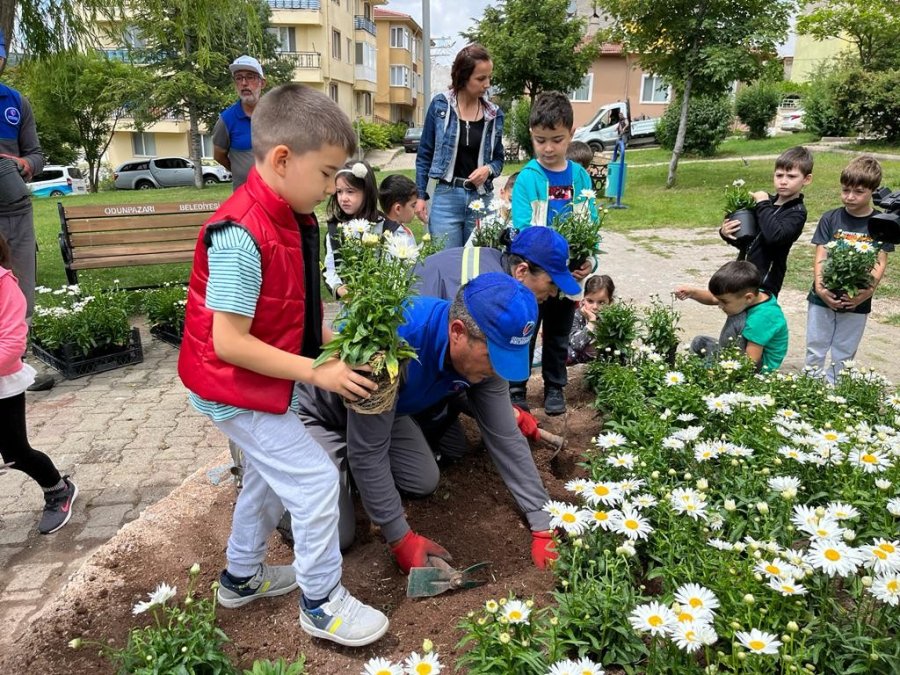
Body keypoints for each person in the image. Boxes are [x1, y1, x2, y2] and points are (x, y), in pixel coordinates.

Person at [177, 83, 388, 648]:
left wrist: (330, 338)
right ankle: (321, 603)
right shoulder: (242, 234)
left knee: (271, 477)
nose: (331, 190)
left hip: (252, 380)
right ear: (281, 159)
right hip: (230, 385)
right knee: (318, 480)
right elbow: (229, 342)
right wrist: (314, 371)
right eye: (326, 175)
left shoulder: (290, 217)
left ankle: (241, 578)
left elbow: (288, 309)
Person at [295, 273, 558, 572]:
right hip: (322, 415)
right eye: (495, 356)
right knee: (339, 536)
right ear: (458, 331)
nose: (501, 368)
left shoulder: (483, 359)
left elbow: (504, 436)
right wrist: (400, 538)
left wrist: (542, 521)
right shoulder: (394, 347)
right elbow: (368, 453)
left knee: (423, 480)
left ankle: (347, 476)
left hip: (386, 414)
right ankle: (274, 480)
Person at [510, 91, 599, 415]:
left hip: (567, 277)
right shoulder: (527, 180)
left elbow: (590, 225)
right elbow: (522, 230)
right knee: (525, 330)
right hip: (535, 276)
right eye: (540, 140)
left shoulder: (580, 177)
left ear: (571, 134)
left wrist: (589, 260)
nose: (548, 148)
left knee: (559, 333)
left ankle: (555, 388)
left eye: (556, 140)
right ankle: (517, 387)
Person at [0, 235, 77, 534]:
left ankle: (58, 489)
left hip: (3, 385)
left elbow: (12, 345)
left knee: (16, 453)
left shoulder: (5, 285)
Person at [805, 155, 892, 383]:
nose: (850, 197)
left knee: (844, 351)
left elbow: (880, 261)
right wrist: (821, 288)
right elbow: (821, 253)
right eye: (845, 190)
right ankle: (810, 387)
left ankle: (836, 392)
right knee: (816, 345)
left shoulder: (882, 222)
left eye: (858, 191)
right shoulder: (830, 218)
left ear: (873, 191)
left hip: (857, 298)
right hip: (821, 296)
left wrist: (865, 294)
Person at [0, 30, 53, 392]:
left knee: (20, 282)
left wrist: (21, 163)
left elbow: (37, 154)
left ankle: (19, 362)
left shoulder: (16, 102)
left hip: (16, 207)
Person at [415, 44, 505, 248]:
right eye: (481, 78)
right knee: (446, 264)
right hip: (446, 198)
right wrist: (420, 196)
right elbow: (424, 155)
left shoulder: (494, 114)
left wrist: (488, 169)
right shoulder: (440, 107)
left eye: (489, 77)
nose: (487, 84)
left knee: (478, 264)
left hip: (481, 199)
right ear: (463, 77)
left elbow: (499, 159)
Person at [719, 146, 813, 296]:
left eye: (791, 176)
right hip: (743, 274)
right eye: (779, 175)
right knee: (737, 317)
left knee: (757, 318)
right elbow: (747, 238)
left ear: (806, 179)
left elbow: (774, 237)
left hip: (766, 282)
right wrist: (726, 232)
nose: (783, 181)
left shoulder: (797, 213)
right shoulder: (766, 203)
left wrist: (762, 203)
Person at [675, 261, 788, 372]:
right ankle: (696, 369)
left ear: (749, 297)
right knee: (699, 341)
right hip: (738, 352)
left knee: (736, 318)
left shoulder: (763, 318)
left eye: (724, 302)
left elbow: (751, 361)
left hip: (757, 366)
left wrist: (720, 372)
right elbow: (714, 298)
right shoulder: (751, 295)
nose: (719, 305)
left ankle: (709, 371)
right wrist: (693, 292)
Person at [322, 160, 383, 299]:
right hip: (351, 308)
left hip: (382, 304)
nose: (343, 198)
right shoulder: (336, 232)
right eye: (339, 192)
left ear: (367, 192)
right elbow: (330, 269)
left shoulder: (385, 228)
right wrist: (338, 289)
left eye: (350, 191)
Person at [213, 55, 267, 190]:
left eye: (250, 77)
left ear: (262, 83)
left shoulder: (277, 114)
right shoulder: (226, 119)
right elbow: (219, 156)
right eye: (239, 78)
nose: (244, 83)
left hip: (277, 196)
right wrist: (240, 171)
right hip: (245, 198)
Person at [567, 274, 615, 365]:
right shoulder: (576, 316)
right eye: (590, 301)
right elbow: (576, 345)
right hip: (578, 359)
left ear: (610, 302)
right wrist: (592, 323)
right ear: (583, 299)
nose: (595, 307)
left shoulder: (611, 318)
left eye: (601, 302)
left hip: (602, 360)